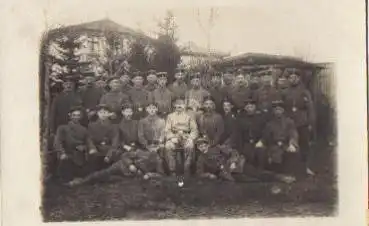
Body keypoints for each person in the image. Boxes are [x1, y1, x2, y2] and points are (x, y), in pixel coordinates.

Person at [284, 70, 316, 175]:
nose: (293, 79)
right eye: (291, 78)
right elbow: (283, 108)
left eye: (295, 77)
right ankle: (293, 168)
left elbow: (310, 109)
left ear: (299, 79)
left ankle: (306, 167)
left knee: (304, 144)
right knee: (291, 144)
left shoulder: (305, 92)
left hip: (302, 122)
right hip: (290, 122)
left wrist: (310, 123)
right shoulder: (285, 92)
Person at [260, 100, 302, 179]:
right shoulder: (269, 124)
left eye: (279, 109)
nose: (278, 111)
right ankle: (277, 174)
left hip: (286, 144)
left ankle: (291, 173)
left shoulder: (289, 122)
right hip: (274, 145)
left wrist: (292, 143)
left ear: (283, 110)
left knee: (292, 152)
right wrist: (263, 142)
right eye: (276, 110)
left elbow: (293, 133)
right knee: (273, 155)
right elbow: (265, 137)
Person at [53, 106, 92, 182]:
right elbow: (57, 142)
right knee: (66, 169)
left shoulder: (84, 129)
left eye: (78, 115)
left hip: (79, 156)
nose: (76, 117)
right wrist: (62, 153)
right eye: (74, 115)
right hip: (67, 155)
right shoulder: (62, 128)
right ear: (70, 115)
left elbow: (89, 142)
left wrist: (85, 147)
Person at [165, 98, 198, 177]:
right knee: (168, 146)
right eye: (177, 104)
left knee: (189, 146)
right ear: (174, 106)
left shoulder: (189, 116)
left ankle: (187, 169)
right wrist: (171, 137)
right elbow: (167, 130)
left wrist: (190, 138)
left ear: (184, 106)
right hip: (175, 136)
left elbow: (194, 130)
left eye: (181, 104)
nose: (179, 106)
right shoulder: (170, 116)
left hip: (186, 136)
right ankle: (172, 170)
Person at [236, 99, 267, 168]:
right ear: (245, 108)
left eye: (251, 107)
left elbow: (265, 132)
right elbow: (239, 135)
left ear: (255, 107)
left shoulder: (260, 118)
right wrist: (240, 149)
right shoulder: (241, 119)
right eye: (248, 107)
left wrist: (262, 141)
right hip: (246, 143)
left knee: (261, 153)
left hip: (258, 142)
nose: (250, 109)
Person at [87, 104, 119, 172]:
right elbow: (89, 139)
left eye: (105, 112)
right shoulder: (92, 125)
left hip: (109, 150)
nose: (103, 115)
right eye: (101, 112)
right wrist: (92, 148)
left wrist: (109, 155)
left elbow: (115, 143)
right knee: (93, 158)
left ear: (108, 114)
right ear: (97, 113)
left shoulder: (114, 126)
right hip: (97, 149)